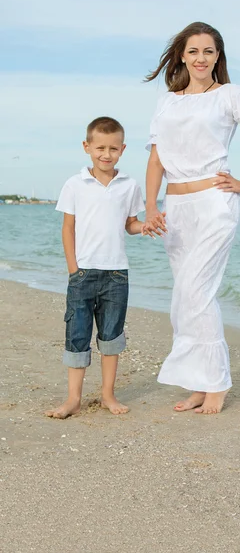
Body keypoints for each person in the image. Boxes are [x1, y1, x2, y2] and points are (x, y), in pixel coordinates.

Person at [143, 21, 240, 414]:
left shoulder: (230, 96)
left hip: (213, 204)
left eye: (209, 51)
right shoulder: (167, 102)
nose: (201, 58)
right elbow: (156, 157)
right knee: (183, 298)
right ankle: (197, 382)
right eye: (193, 51)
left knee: (196, 292)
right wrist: (151, 206)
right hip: (176, 209)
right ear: (182, 56)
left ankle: (217, 383)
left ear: (218, 56)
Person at [46, 117, 146, 419]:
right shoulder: (75, 184)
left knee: (111, 337)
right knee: (77, 335)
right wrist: (73, 268)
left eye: (113, 148)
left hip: (116, 274)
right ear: (87, 147)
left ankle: (107, 395)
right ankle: (73, 399)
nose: (107, 154)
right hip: (83, 273)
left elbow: (130, 225)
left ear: (122, 149)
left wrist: (147, 225)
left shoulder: (129, 185)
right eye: (100, 147)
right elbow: (68, 228)